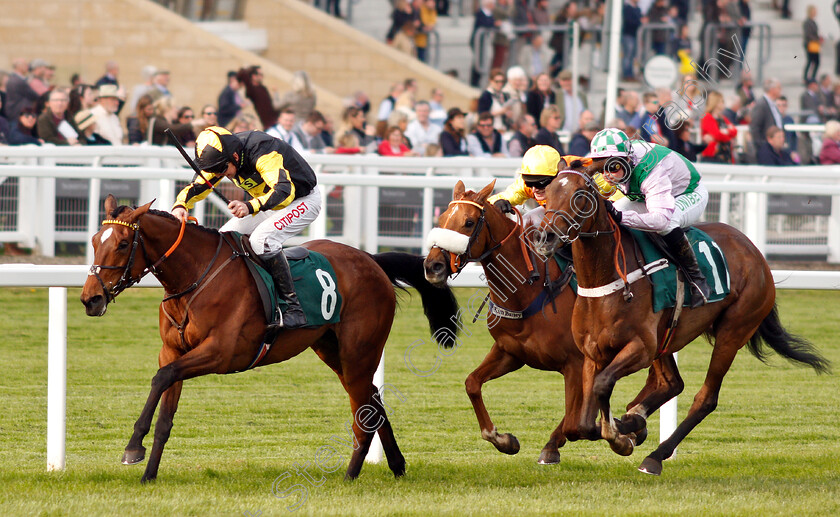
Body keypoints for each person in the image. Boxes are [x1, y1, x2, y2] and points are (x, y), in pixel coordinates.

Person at [171, 127, 321, 330]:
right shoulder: (222, 157)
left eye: (222, 170)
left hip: (300, 200)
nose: (219, 175)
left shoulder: (263, 150)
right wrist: (181, 205)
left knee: (262, 240)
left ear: (234, 155)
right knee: (224, 238)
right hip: (266, 203)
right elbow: (199, 185)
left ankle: (293, 309)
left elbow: (284, 191)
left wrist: (249, 206)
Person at [588, 128, 711, 307]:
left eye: (613, 167)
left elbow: (660, 219)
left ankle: (697, 280)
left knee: (667, 224)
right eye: (602, 168)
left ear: (628, 160)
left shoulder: (651, 172)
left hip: (688, 193)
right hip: (648, 196)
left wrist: (622, 216)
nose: (607, 175)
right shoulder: (622, 157)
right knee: (611, 213)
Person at [488, 145, 566, 227]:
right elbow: (487, 203)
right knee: (527, 221)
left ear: (559, 174)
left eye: (540, 183)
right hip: (555, 211)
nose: (534, 189)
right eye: (529, 183)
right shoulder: (524, 185)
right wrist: (495, 203)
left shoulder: (575, 180)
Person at [700, 91, 737, 163]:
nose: (724, 104)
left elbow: (735, 131)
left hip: (726, 154)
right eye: (722, 101)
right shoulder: (707, 117)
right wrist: (728, 136)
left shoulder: (722, 118)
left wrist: (726, 132)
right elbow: (717, 135)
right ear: (716, 103)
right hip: (712, 156)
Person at [803, 5, 821, 83]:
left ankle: (812, 77)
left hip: (814, 44)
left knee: (816, 61)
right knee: (811, 61)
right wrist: (817, 39)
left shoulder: (813, 21)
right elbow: (808, 34)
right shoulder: (807, 22)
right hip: (810, 44)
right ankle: (806, 78)